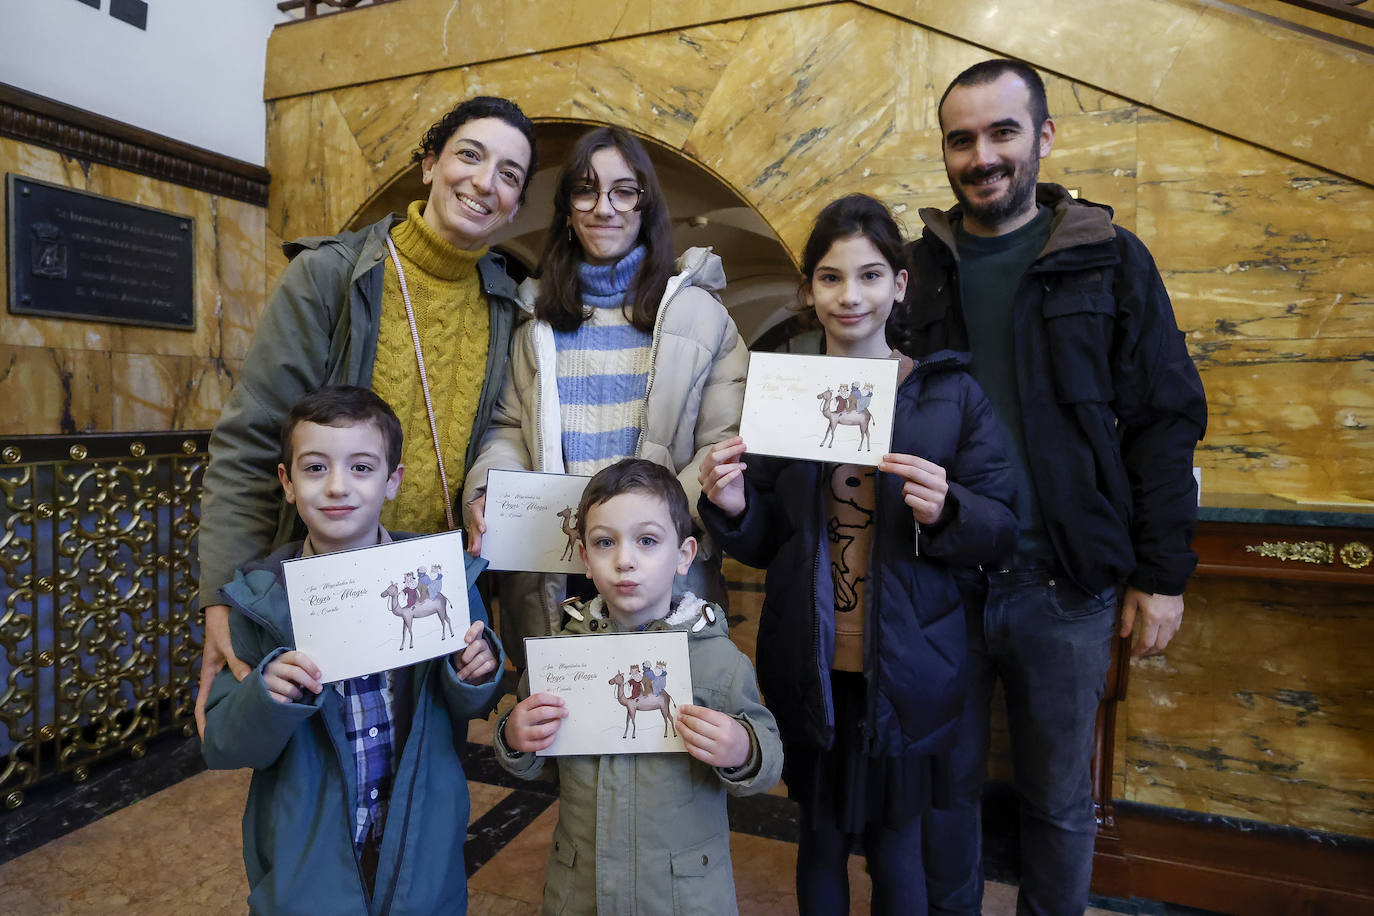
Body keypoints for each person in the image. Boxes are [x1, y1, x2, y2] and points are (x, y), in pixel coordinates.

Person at [894, 59, 1208, 914]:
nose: (982, 155)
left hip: (1066, 588)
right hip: (940, 583)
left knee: (1061, 807)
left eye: (1003, 132)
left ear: (1044, 137)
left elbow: (1165, 420)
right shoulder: (913, 272)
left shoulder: (1107, 258)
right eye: (962, 139)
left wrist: (1161, 574)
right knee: (943, 795)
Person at [698, 194, 1018, 914]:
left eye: (871, 275)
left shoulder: (950, 395)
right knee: (818, 838)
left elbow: (1001, 529)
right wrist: (731, 507)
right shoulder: (782, 394)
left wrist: (949, 511)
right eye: (832, 278)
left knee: (900, 849)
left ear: (899, 285)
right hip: (811, 666)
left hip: (908, 670)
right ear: (809, 291)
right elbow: (764, 542)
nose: (851, 295)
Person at [194, 96, 537, 734]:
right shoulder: (328, 276)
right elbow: (249, 443)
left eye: (510, 175)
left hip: (430, 591)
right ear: (429, 164)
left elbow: (499, 435)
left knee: (424, 772)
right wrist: (221, 595)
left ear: (516, 204)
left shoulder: (506, 306)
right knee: (321, 776)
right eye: (470, 155)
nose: (485, 182)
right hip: (325, 587)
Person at [200, 385, 505, 912]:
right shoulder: (260, 601)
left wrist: (474, 673)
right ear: (287, 483)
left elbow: (470, 705)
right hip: (308, 864)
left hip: (421, 849)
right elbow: (226, 744)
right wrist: (266, 698)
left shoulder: (445, 579)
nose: (338, 487)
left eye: (362, 468)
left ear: (393, 482)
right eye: (315, 468)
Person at [462, 126, 748, 668]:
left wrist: (642, 535)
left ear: (646, 205)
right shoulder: (533, 318)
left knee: (663, 725)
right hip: (559, 566)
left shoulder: (701, 316)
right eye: (586, 190)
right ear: (568, 209)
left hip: (661, 564)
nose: (604, 208)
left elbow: (722, 442)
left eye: (624, 191)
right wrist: (489, 491)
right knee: (561, 726)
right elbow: (505, 429)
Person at [494, 458, 782, 914]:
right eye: (605, 542)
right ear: (585, 558)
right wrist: (516, 738)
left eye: (647, 541)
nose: (625, 559)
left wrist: (743, 749)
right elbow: (537, 763)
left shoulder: (716, 659)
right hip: (582, 890)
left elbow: (767, 758)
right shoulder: (562, 657)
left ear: (684, 555)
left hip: (681, 896)